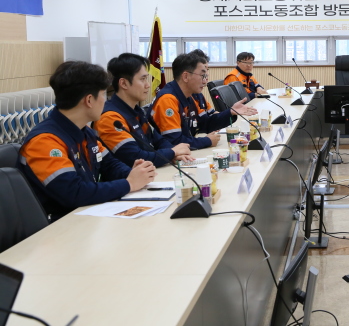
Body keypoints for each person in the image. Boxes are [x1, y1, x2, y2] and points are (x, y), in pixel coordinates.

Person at [18, 61, 157, 220]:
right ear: (89, 100)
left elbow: (109, 164)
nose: (105, 101)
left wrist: (134, 173)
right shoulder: (44, 141)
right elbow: (74, 193)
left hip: (87, 215)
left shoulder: (85, 131)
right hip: (61, 225)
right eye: (103, 95)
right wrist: (129, 184)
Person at [93, 53, 193, 168]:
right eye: (143, 79)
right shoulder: (110, 117)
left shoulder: (136, 110)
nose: (148, 85)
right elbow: (136, 157)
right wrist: (172, 152)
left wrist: (174, 153)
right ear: (124, 83)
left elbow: (158, 140)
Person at [151, 52, 258, 149]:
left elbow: (204, 123)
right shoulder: (167, 99)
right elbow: (174, 142)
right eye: (202, 75)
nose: (205, 80)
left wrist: (230, 112)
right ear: (186, 76)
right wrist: (206, 141)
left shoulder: (189, 96)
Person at [189, 49, 216, 118]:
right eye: (203, 71)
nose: (207, 75)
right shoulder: (185, 96)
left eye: (207, 70)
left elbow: (212, 113)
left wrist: (230, 113)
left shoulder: (198, 94)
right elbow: (203, 120)